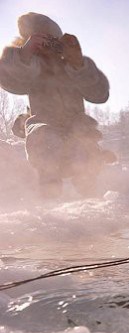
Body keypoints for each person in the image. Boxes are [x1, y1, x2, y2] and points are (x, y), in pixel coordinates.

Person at [0, 12, 115, 198]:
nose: (49, 46)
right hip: (45, 123)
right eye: (43, 40)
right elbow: (9, 80)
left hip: (76, 124)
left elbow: (100, 95)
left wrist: (78, 64)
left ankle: (92, 194)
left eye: (54, 41)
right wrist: (25, 53)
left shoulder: (72, 66)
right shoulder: (32, 66)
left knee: (82, 144)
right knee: (43, 137)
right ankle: (50, 197)